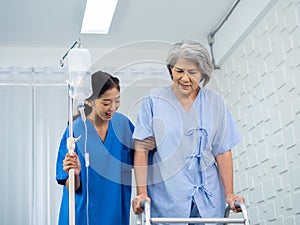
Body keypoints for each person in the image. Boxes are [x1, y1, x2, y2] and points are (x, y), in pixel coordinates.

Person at [132, 40, 245, 225]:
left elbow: (222, 151)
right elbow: (142, 150)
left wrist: (229, 193)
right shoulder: (154, 100)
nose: (185, 78)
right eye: (179, 71)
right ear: (171, 69)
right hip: (168, 197)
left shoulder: (215, 102)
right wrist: (141, 193)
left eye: (192, 72)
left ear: (203, 73)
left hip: (209, 199)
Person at [55, 71, 155, 225]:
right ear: (89, 101)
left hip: (114, 212)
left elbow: (141, 158)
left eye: (117, 101)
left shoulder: (122, 125)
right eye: (106, 103)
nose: (113, 108)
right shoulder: (75, 131)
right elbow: (72, 187)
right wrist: (74, 174)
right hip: (81, 215)